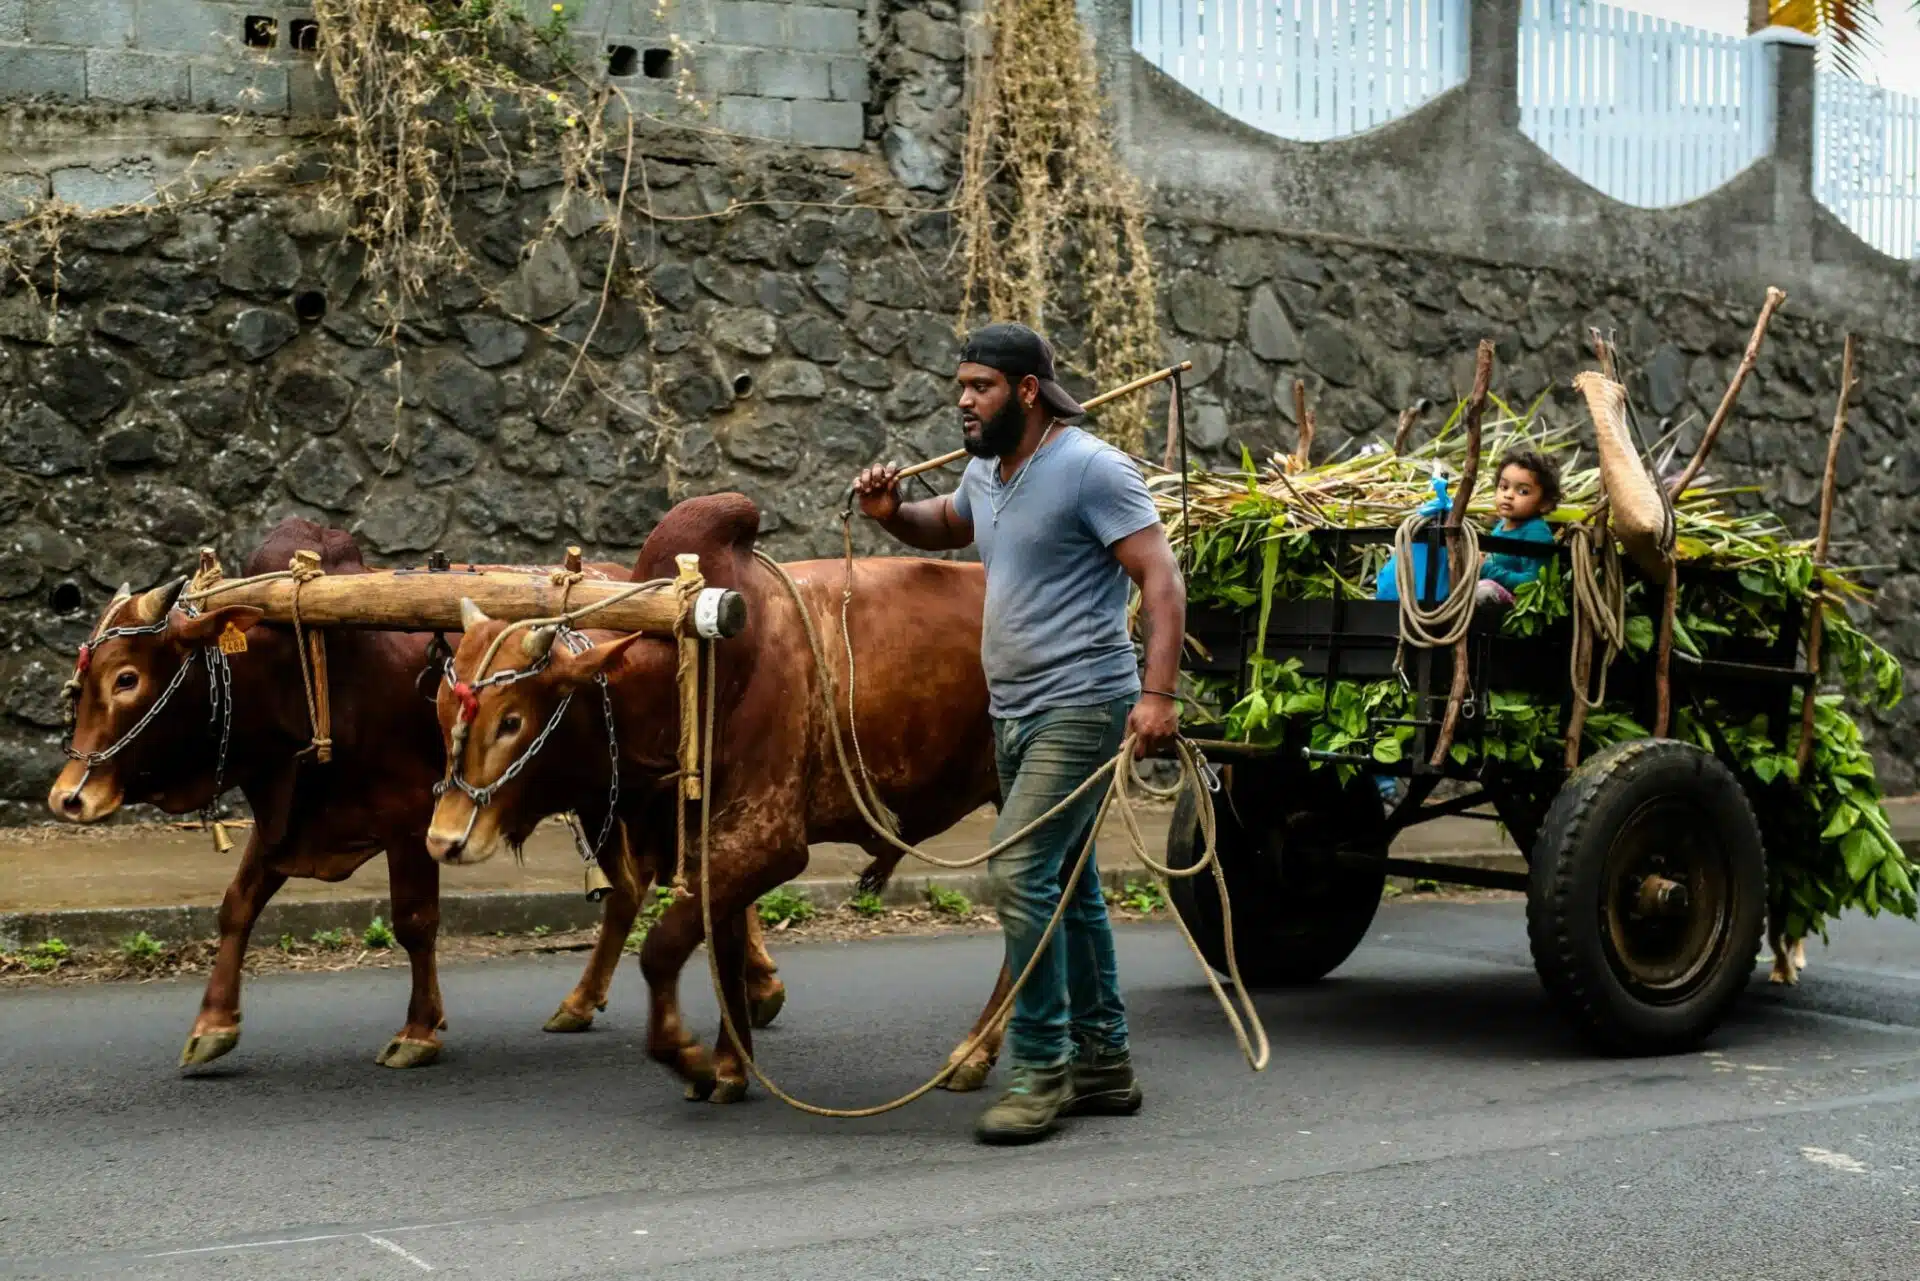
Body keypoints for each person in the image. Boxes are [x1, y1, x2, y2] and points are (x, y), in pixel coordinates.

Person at [852, 322, 1187, 1146]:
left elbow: (1161, 577)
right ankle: (1105, 1063)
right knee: (1069, 881)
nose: (962, 399)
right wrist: (892, 512)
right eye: (961, 384)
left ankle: (1041, 1066)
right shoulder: (986, 469)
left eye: (980, 386)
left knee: (1019, 867)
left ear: (1027, 391)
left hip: (1082, 701)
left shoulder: (1092, 469)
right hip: (1014, 706)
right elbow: (949, 525)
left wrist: (1157, 694)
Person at [1474, 445, 1561, 609]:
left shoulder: (1536, 532)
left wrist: (1485, 568)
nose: (1508, 495)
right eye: (1504, 487)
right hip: (1493, 595)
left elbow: (1534, 583)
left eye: (1522, 491)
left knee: (1483, 590)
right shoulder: (1501, 525)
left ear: (1545, 503)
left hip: (1519, 606)